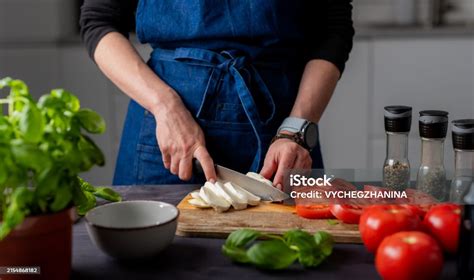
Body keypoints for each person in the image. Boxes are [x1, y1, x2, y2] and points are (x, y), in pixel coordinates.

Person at [80, 0, 354, 188]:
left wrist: (296, 129)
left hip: (282, 135)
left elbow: (333, 29)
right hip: (165, 134)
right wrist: (166, 108)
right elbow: (99, 21)